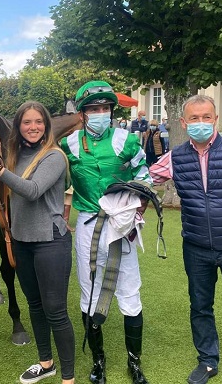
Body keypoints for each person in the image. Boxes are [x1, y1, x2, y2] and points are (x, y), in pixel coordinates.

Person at [149, 95, 222, 384]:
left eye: (206, 117)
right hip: (196, 247)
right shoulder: (176, 156)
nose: (201, 123)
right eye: (194, 119)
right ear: (184, 122)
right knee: (200, 307)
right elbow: (148, 178)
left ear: (215, 119)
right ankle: (207, 362)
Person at [60, 81, 152, 384]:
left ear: (111, 110)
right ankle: (98, 361)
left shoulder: (126, 139)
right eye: (93, 109)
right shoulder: (69, 144)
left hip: (121, 224)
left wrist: (137, 205)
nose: (100, 113)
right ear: (83, 113)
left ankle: (134, 363)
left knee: (129, 291)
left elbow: (143, 173)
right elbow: (53, 176)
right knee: (89, 293)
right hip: (88, 226)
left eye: (104, 108)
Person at [0, 101, 76, 384]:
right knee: (34, 306)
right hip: (22, 242)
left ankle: (68, 378)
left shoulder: (54, 156)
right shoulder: (15, 154)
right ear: (18, 126)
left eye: (38, 122)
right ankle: (46, 363)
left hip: (50, 241)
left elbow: (32, 191)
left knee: (55, 310)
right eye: (27, 122)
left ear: (46, 125)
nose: (33, 127)